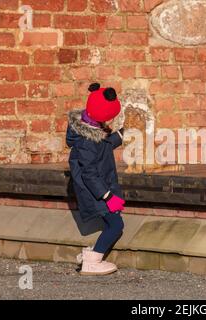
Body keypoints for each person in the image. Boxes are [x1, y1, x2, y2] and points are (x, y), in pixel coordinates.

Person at [66, 82, 125, 276]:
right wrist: (108, 197)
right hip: (95, 193)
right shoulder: (87, 142)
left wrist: (121, 135)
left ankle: (90, 255)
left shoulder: (90, 128)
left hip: (99, 190)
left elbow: (103, 145)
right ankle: (93, 261)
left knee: (112, 223)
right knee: (116, 225)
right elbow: (89, 174)